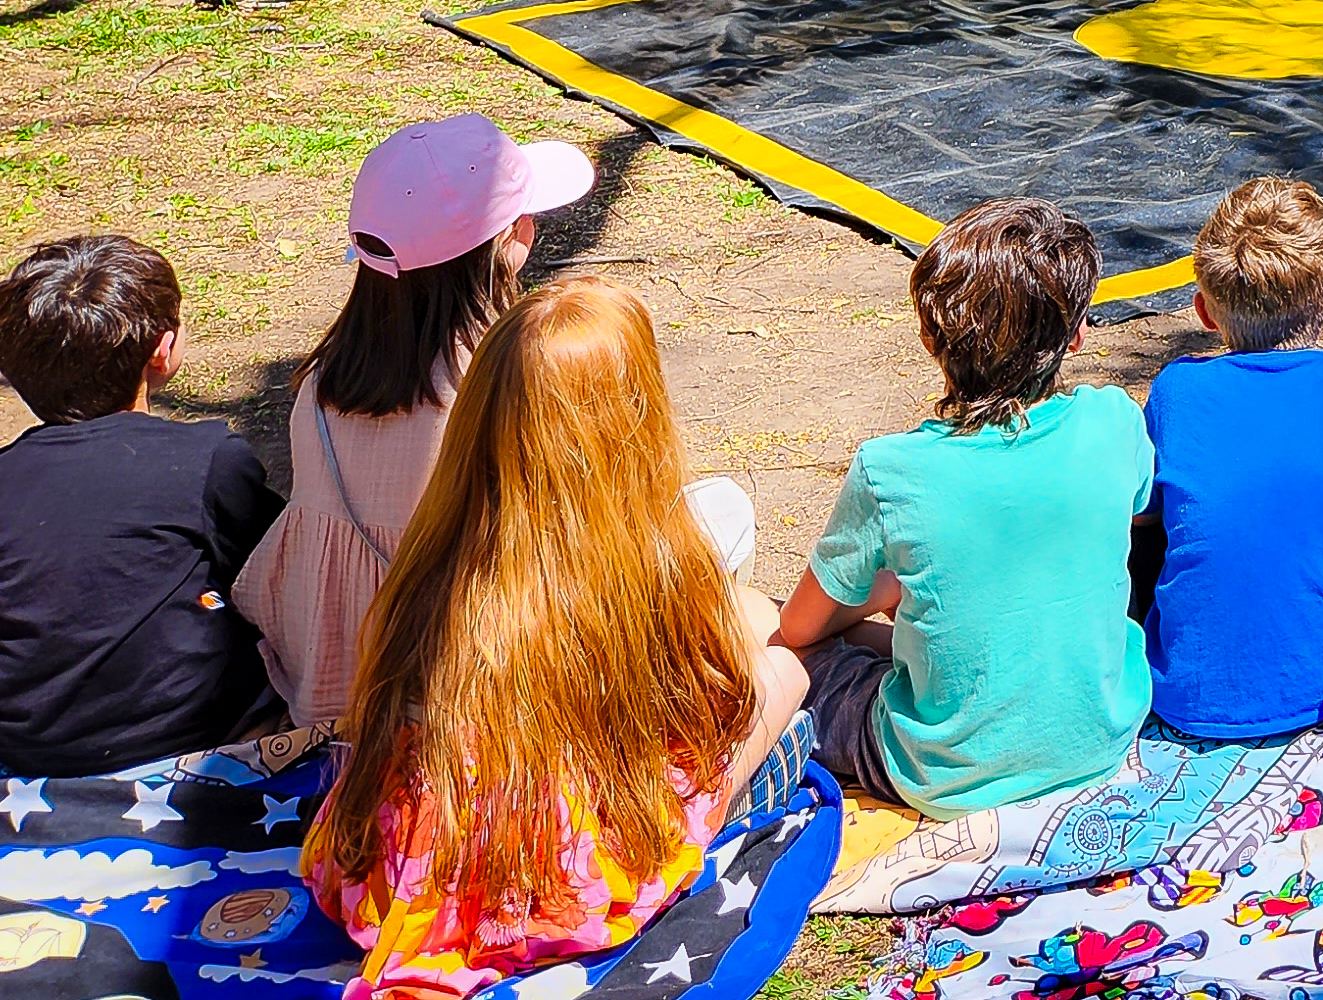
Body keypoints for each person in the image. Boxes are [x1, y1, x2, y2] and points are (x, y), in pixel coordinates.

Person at [305, 281, 806, 1000]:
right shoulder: (650, 567)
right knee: (787, 669)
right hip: (552, 884)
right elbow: (706, 715)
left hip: (402, 874)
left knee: (747, 616)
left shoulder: (433, 554)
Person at [778, 201, 1151, 813]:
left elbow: (800, 629)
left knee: (770, 636)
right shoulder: (1114, 419)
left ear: (930, 338)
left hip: (943, 773)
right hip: (1099, 741)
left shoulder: (890, 468)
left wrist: (887, 591)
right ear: (1077, 334)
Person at [238, 116, 590, 727]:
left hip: (334, 682)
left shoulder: (321, 381)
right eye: (523, 218)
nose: (530, 228)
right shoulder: (511, 380)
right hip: (466, 689)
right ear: (506, 243)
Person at [0, 234, 282, 776]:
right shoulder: (206, 459)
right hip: (181, 732)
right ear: (162, 350)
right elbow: (271, 567)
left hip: (19, 739)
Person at [1133, 178, 1323, 742]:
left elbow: (1144, 515)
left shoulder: (1175, 389)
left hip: (1180, 693)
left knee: (1159, 523)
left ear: (1204, 311)